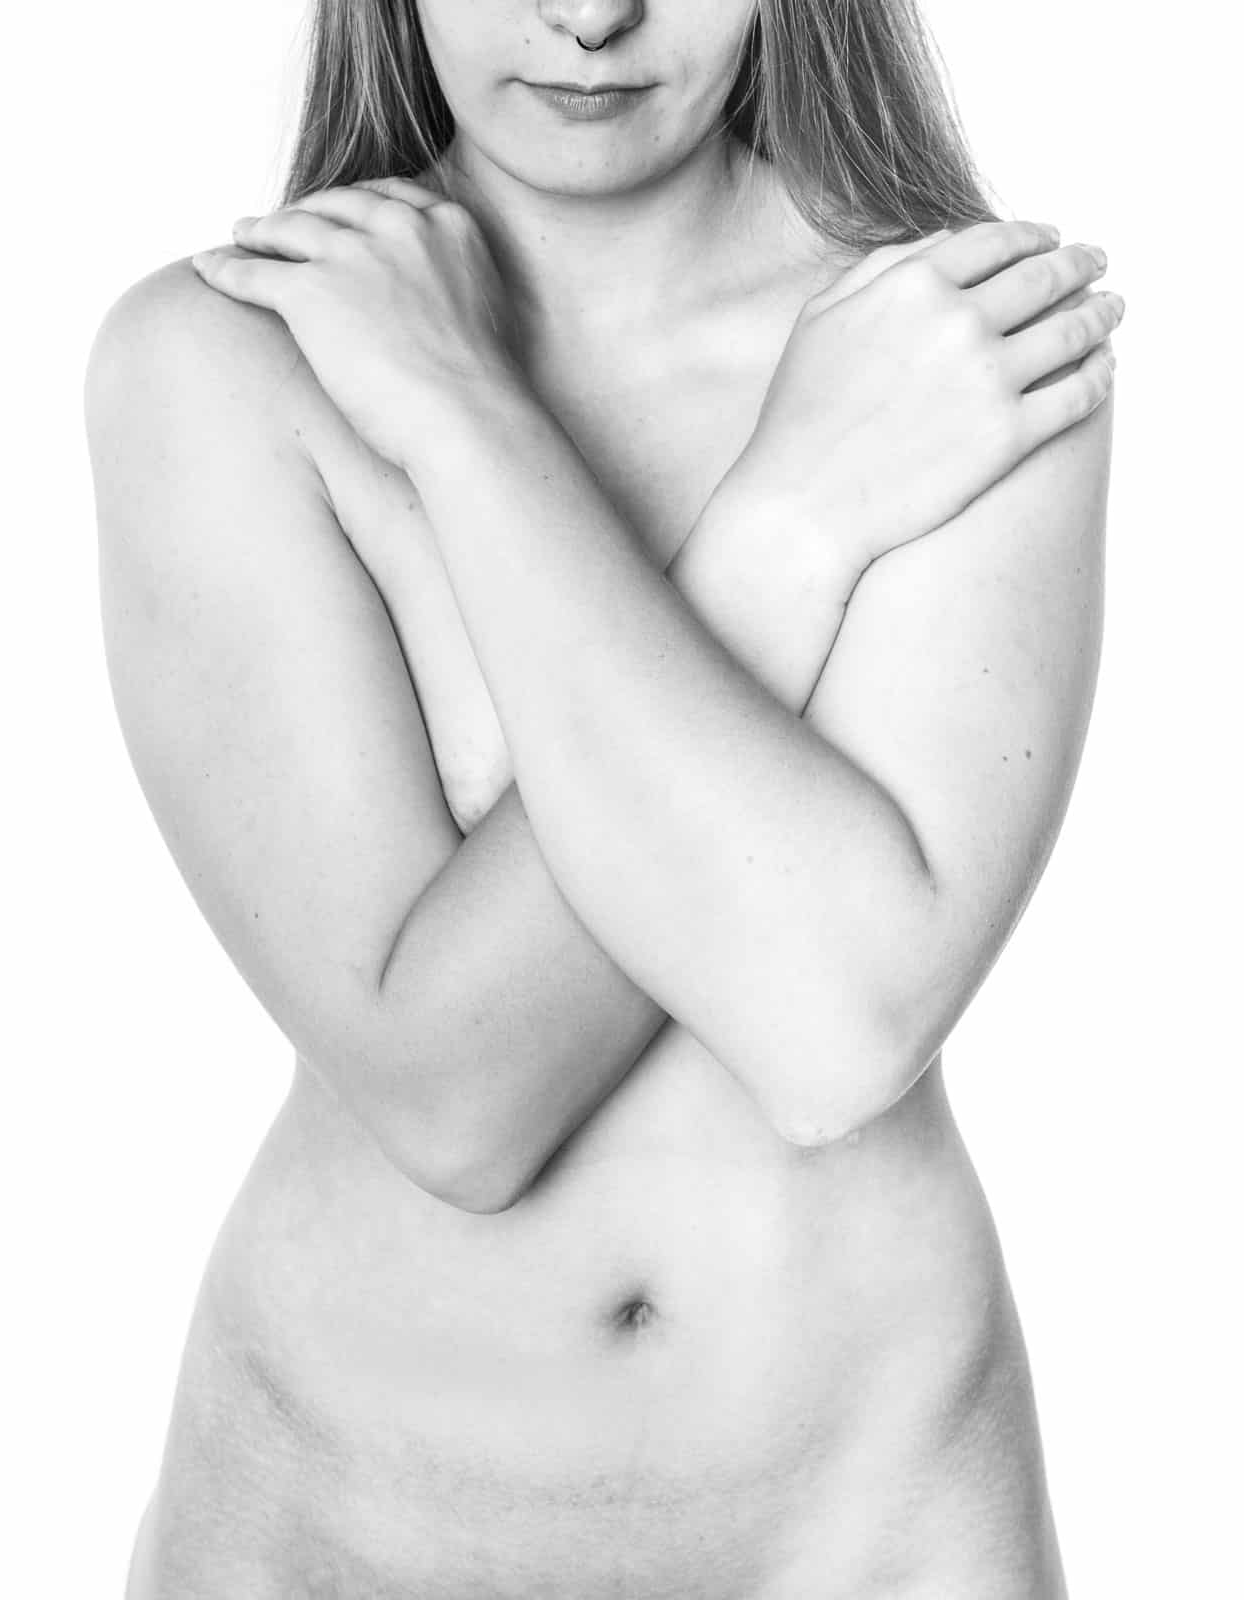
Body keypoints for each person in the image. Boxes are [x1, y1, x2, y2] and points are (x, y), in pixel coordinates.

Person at [85, 0, 1121, 1593]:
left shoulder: (953, 336)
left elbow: (833, 1029)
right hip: (340, 1533)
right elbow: (455, 1101)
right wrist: (764, 517)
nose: (587, 17)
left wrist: (476, 429)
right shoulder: (224, 354)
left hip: (870, 1533)